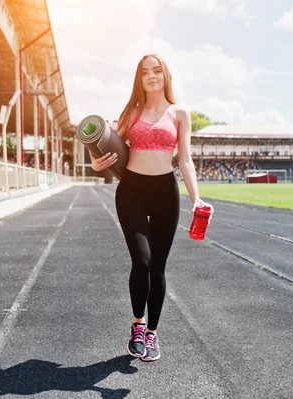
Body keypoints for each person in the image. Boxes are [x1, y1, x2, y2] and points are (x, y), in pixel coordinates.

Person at [90, 54, 212, 362]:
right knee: (141, 260)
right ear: (139, 79)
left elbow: (185, 159)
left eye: (157, 70)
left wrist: (196, 197)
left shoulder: (180, 113)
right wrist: (94, 161)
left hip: (164, 193)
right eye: (145, 72)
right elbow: (106, 146)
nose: (151, 75)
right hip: (131, 190)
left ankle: (153, 334)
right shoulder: (131, 112)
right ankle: (137, 325)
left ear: (166, 75)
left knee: (157, 267)